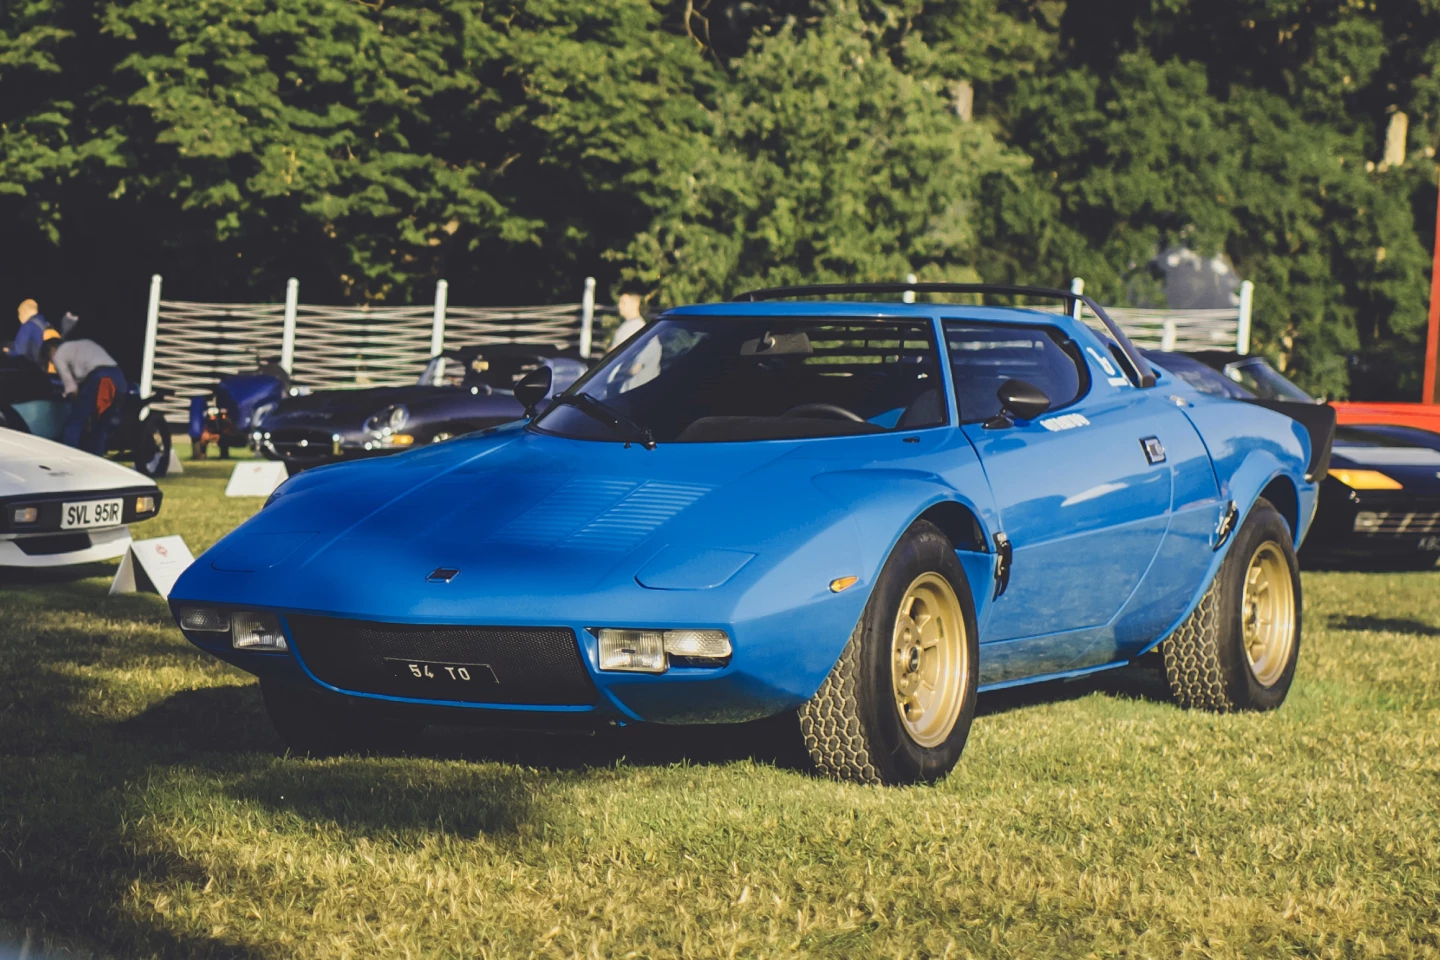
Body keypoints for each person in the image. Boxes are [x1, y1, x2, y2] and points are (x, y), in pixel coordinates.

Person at [39, 329, 127, 455]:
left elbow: (71, 388)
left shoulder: (59, 354)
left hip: (101, 378)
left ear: (52, 349)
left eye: (49, 358)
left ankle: (69, 457)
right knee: (100, 426)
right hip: (118, 378)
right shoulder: (84, 343)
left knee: (73, 423)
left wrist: (76, 404)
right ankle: (97, 460)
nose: (52, 362)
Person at [9, 299, 53, 367]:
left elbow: (20, 352)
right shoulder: (45, 323)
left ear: (24, 311)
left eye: (19, 312)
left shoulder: (28, 326)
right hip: (52, 366)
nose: (19, 315)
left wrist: (9, 353)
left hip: (38, 370)